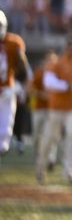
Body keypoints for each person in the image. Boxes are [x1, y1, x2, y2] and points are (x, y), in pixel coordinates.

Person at [36, 35, 72, 184]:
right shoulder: (57, 63)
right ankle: (41, 168)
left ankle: (69, 170)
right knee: (49, 138)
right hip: (57, 108)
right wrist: (67, 86)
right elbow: (48, 82)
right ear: (66, 48)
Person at [0, 10, 31, 157]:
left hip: (7, 88)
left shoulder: (13, 43)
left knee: (6, 127)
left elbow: (23, 68)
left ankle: (5, 145)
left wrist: (18, 87)